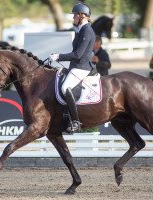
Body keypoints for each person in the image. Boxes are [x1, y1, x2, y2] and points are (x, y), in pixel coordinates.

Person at [48, 3, 95, 132]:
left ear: (82, 16)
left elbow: (78, 54)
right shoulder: (81, 30)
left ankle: (75, 121)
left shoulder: (87, 30)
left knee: (65, 88)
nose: (73, 17)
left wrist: (58, 56)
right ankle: (64, 116)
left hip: (82, 67)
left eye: (75, 15)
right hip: (76, 66)